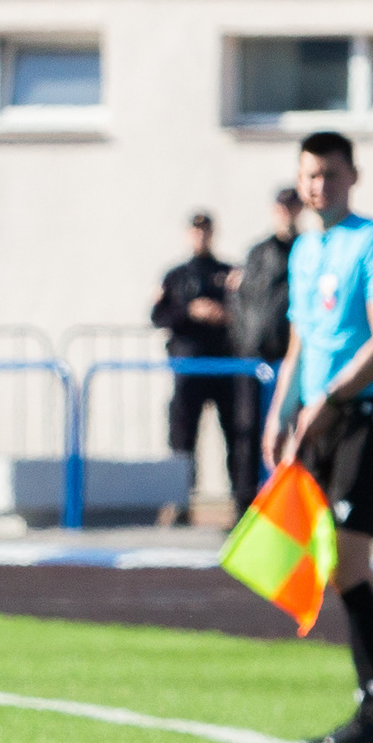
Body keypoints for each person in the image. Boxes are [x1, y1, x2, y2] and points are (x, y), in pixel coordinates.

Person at [263, 130, 373, 743]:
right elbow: (300, 345)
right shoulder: (304, 251)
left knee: (349, 559)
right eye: (309, 175)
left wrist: (330, 399)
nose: (318, 185)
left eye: (328, 173)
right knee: (324, 566)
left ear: (354, 176)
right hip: (317, 418)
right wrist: (281, 412)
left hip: (364, 414)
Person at [149, 210, 236, 523]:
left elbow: (247, 316)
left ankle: (241, 503)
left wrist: (223, 313)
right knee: (183, 439)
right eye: (196, 231)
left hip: (225, 368)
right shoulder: (176, 277)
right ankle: (180, 503)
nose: (202, 237)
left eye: (207, 231)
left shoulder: (228, 273)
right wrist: (190, 311)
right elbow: (158, 316)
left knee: (236, 434)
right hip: (189, 369)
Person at [225, 188, 301, 514]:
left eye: (292, 206)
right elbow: (242, 304)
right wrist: (246, 346)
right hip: (256, 360)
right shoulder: (259, 254)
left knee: (296, 430)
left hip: (292, 359)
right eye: (282, 207)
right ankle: (246, 505)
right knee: (248, 431)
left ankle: (289, 504)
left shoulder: (307, 250)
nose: (287, 213)